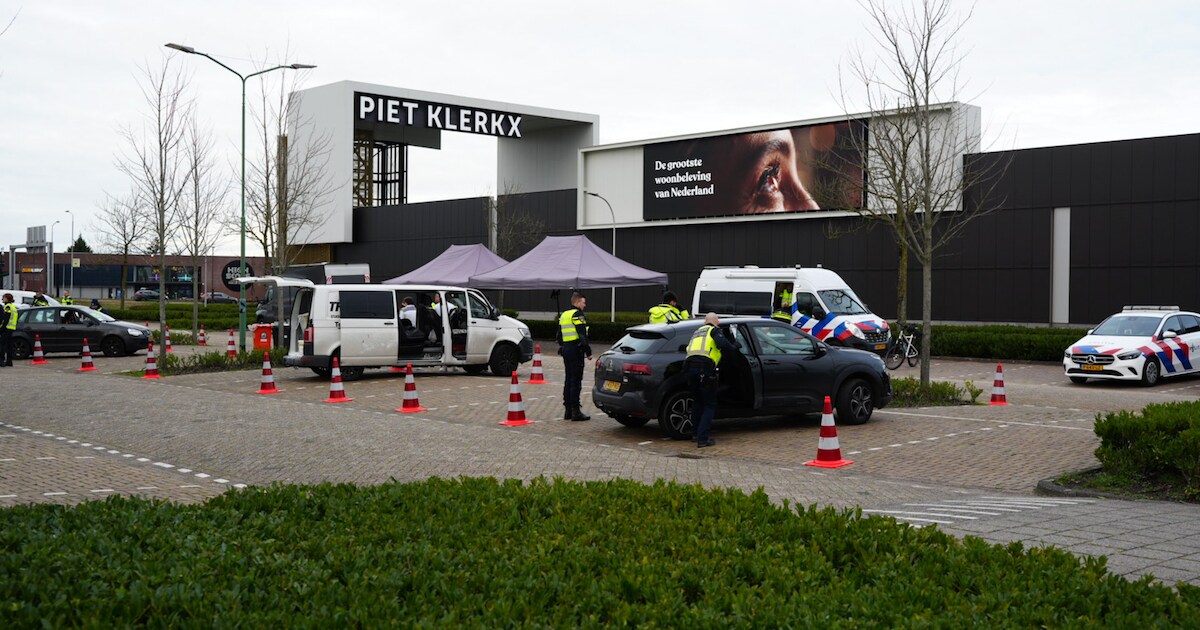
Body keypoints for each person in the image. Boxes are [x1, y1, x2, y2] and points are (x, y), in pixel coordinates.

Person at [685, 313, 739, 448]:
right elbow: (722, 344)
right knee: (709, 405)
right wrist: (734, 346)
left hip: (690, 369)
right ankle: (703, 439)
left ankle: (695, 434)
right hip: (705, 370)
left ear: (705, 321)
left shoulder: (697, 332)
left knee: (697, 402)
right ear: (717, 322)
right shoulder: (714, 330)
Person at [556, 291, 592, 421]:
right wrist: (588, 352)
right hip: (576, 351)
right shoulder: (577, 315)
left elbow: (559, 336)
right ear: (577, 302)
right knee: (576, 381)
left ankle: (568, 411)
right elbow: (582, 335)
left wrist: (563, 346)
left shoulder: (565, 314)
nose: (585, 305)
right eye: (583, 302)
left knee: (568, 380)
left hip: (566, 349)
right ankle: (576, 411)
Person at [0, 293, 16, 367]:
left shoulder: (7, 307)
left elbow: (5, 319)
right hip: (11, 328)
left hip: (6, 329)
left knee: (2, 345)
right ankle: (9, 361)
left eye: (4, 298)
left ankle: (1, 361)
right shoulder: (13, 307)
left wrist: (2, 328)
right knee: (9, 345)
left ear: (7, 299)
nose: (2, 299)